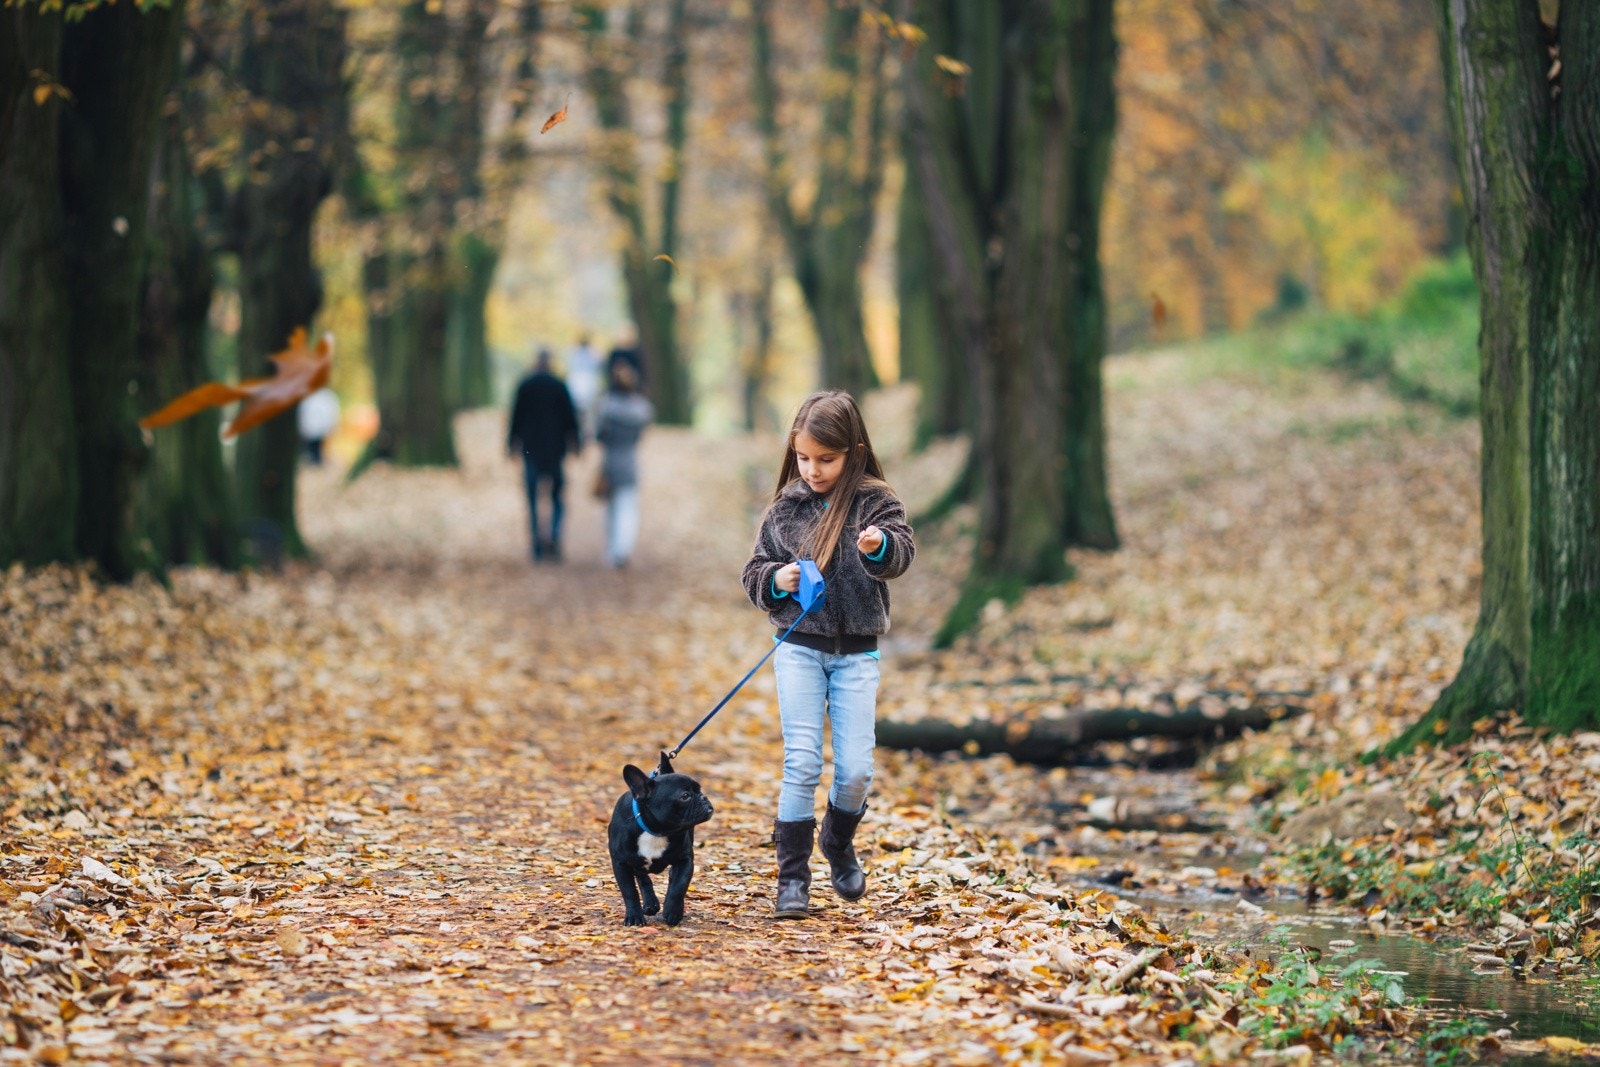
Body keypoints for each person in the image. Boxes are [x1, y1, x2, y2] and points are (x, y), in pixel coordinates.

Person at [740, 391, 915, 919]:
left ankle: (837, 842)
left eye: (826, 459)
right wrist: (777, 578)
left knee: (857, 770)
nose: (813, 470)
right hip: (798, 650)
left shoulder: (876, 501)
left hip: (857, 654)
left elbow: (902, 552)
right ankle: (791, 878)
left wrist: (878, 546)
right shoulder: (784, 509)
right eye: (803, 458)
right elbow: (753, 574)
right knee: (802, 762)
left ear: (854, 451)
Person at [508, 348, 580, 562]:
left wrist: (511, 444)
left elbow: (516, 417)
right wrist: (576, 444)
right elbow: (570, 418)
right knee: (557, 495)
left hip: (530, 449)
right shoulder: (559, 385)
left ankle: (536, 544)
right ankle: (554, 535)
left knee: (532, 497)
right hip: (555, 449)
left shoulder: (525, 385)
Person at [594, 362, 653, 568]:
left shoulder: (606, 407)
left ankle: (612, 551)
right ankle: (623, 549)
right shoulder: (641, 410)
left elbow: (599, 435)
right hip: (629, 460)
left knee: (611, 509)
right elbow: (640, 437)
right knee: (627, 508)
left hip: (610, 460)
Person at [565, 333, 603, 438]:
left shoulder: (575, 353)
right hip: (586, 385)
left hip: (582, 385)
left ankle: (583, 434)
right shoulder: (592, 353)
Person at [297, 386, 340, 466]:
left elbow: (331, 412)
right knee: (308, 451)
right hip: (309, 428)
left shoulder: (326, 396)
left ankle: (315, 464)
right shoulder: (307, 395)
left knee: (316, 450)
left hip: (319, 428)